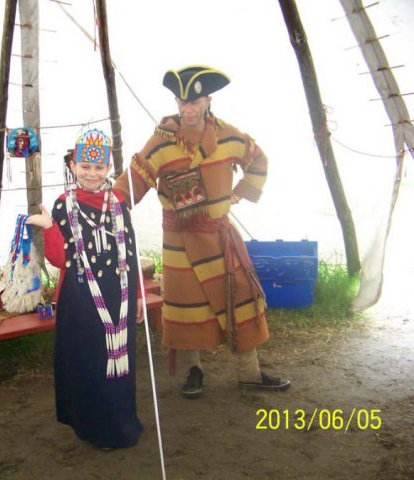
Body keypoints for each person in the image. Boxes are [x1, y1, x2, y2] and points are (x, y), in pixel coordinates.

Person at [113, 64, 291, 398]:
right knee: (185, 307)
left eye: (194, 102)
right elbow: (135, 177)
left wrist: (239, 193)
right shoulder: (162, 140)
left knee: (240, 300)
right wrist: (110, 204)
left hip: (219, 237)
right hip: (179, 241)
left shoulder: (227, 135)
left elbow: (258, 158)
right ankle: (192, 372)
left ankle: (250, 374)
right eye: (182, 102)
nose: (188, 109)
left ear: (208, 100)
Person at [26, 129, 144, 449]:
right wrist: (49, 227)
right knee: (90, 362)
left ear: (108, 168)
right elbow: (59, 259)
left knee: (119, 365)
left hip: (118, 295)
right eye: (85, 167)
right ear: (73, 166)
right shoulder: (64, 205)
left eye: (99, 167)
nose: (92, 174)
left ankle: (122, 424)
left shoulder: (118, 203)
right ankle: (95, 428)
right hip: (80, 298)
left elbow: (130, 252)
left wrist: (138, 296)